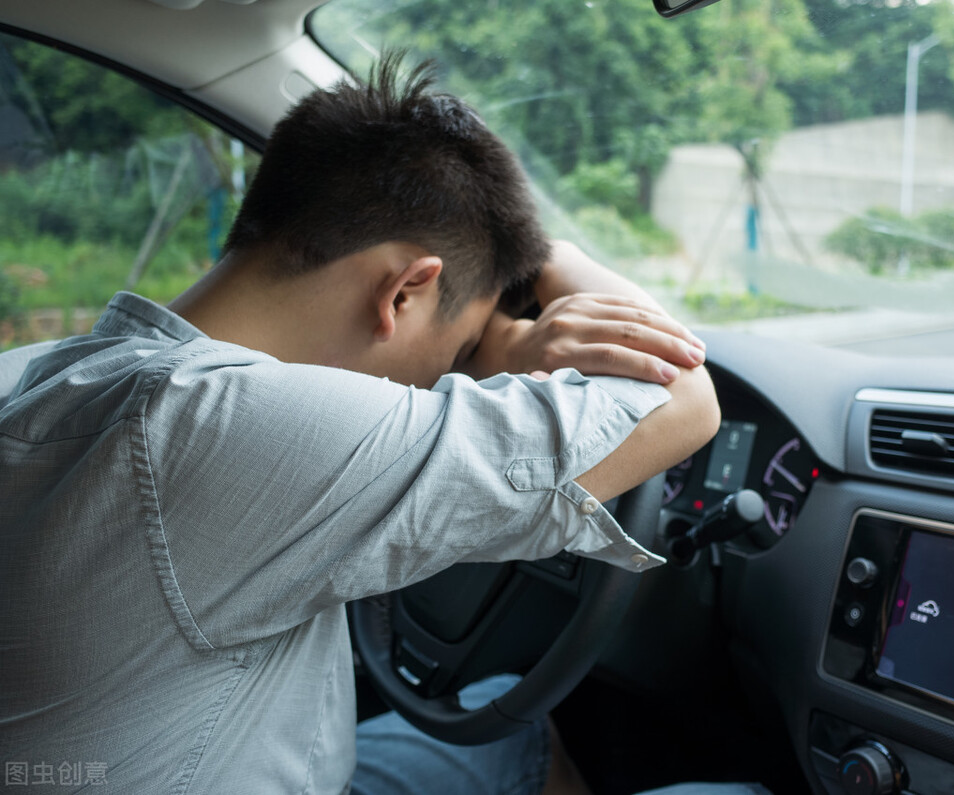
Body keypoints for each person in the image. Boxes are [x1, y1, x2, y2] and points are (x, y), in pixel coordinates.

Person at [0, 53, 764, 794]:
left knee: (519, 727)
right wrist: (543, 262)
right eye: (463, 348)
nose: (458, 377)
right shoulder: (222, 427)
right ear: (405, 291)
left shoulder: (58, 369)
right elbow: (684, 400)